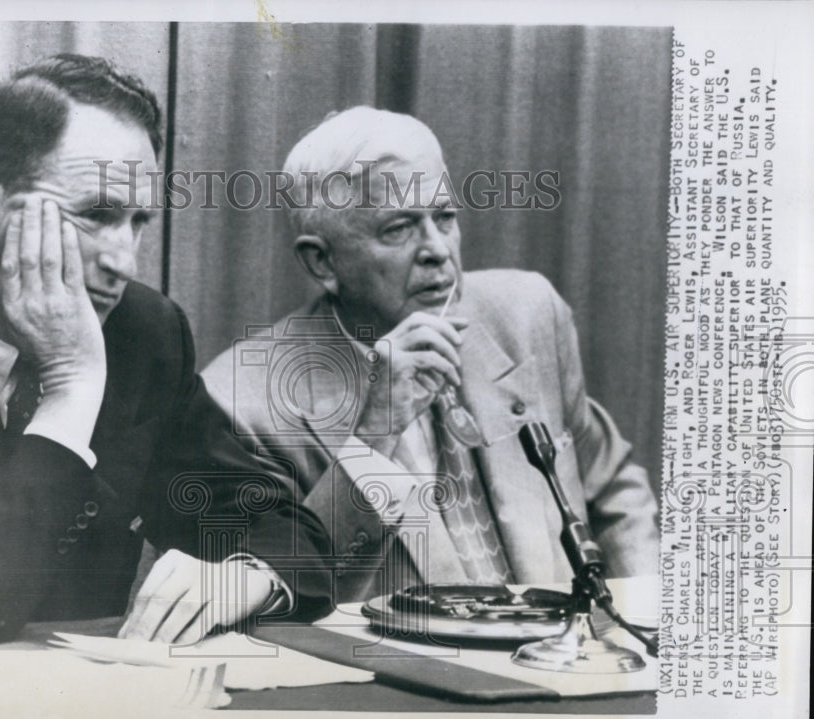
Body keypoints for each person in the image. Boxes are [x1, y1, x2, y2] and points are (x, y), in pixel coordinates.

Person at [0, 54, 331, 649]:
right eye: (96, 214)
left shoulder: (144, 334)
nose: (125, 261)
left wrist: (248, 577)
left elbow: (288, 531)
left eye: (138, 221)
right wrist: (72, 386)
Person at [202, 106, 660, 603]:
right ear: (322, 262)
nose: (438, 249)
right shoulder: (241, 404)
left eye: (444, 217)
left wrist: (646, 618)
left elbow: (611, 488)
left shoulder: (527, 314)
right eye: (399, 228)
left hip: (564, 644)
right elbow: (288, 591)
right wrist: (374, 434)